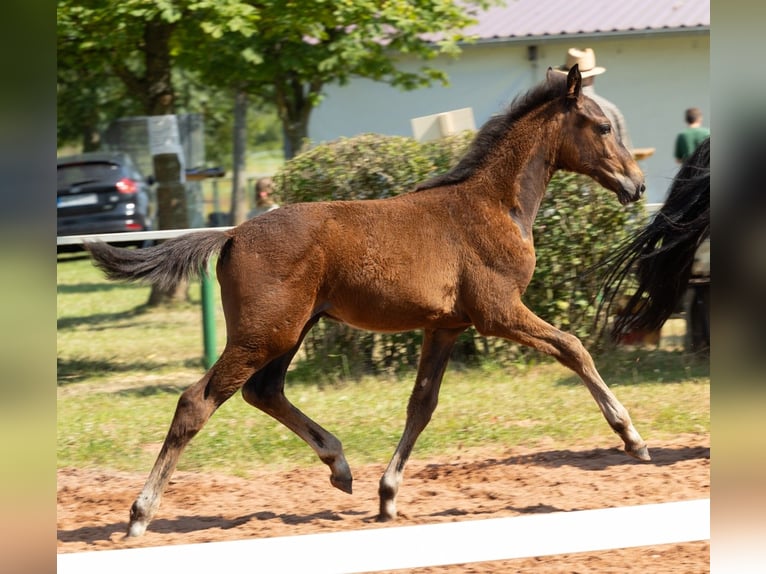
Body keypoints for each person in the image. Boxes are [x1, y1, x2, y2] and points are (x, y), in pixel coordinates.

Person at [554, 48, 633, 151]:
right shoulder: (610, 109)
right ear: (593, 75)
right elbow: (627, 152)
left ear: (567, 77)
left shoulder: (554, 110)